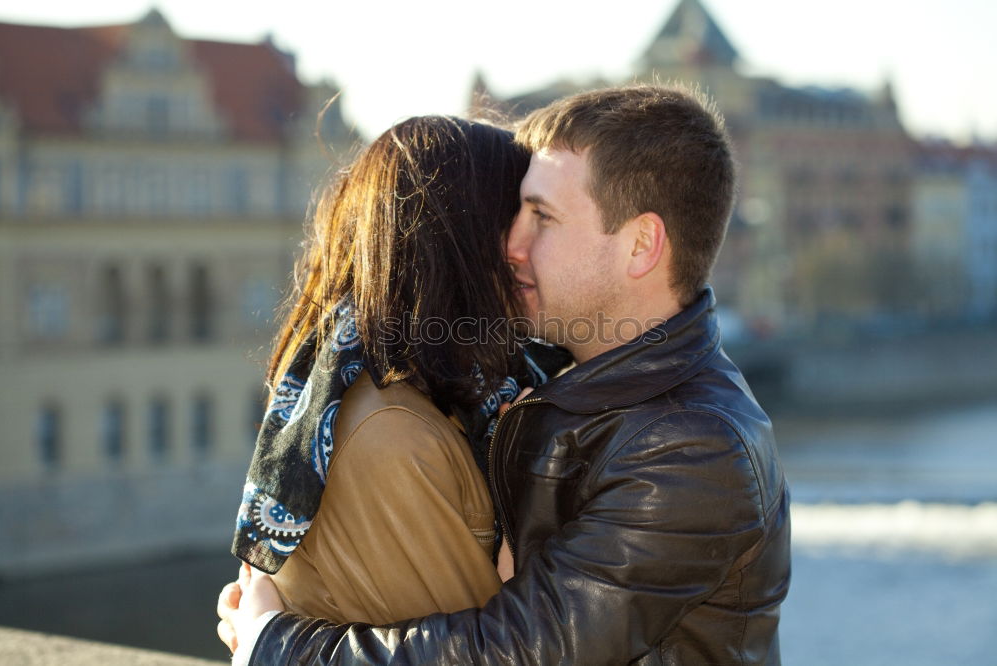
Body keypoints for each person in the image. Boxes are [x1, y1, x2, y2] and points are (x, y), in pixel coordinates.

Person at [219, 84, 791, 665]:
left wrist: (276, 644)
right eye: (515, 212)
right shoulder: (552, 390)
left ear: (641, 245)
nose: (511, 246)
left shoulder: (691, 444)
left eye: (542, 217)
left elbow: (526, 652)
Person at [225, 114, 570, 643]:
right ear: (464, 241)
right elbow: (503, 654)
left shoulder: (457, 394)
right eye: (523, 217)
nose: (529, 246)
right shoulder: (390, 431)